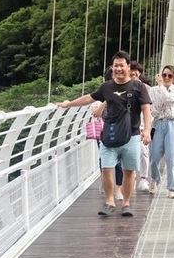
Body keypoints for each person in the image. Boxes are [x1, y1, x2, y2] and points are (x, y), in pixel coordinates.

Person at [56, 50, 152, 216]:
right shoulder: (107, 87)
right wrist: (68, 104)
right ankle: (109, 201)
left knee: (129, 171)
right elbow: (89, 98)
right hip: (109, 134)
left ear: (128, 67)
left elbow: (146, 109)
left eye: (122, 65)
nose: (118, 69)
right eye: (116, 66)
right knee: (107, 168)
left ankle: (127, 203)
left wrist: (148, 130)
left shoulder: (138, 87)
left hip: (132, 135)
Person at [147, 65, 174, 199]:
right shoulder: (153, 90)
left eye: (169, 75)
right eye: (164, 75)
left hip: (172, 123)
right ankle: (155, 179)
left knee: (172, 157)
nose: (166, 78)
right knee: (154, 156)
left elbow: (171, 100)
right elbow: (152, 108)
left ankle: (172, 187)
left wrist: (162, 87)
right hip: (157, 123)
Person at [91, 100, 124, 201]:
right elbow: (95, 114)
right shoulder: (98, 102)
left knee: (119, 161)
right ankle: (104, 181)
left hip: (118, 133)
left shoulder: (120, 99)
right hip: (102, 135)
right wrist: (104, 103)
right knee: (104, 160)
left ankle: (118, 189)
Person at [131, 60, 153, 192]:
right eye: (132, 69)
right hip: (128, 125)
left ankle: (143, 178)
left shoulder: (147, 88)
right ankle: (131, 178)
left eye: (136, 70)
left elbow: (151, 108)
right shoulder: (123, 87)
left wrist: (147, 128)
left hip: (142, 124)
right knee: (130, 152)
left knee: (144, 151)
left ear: (139, 72)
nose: (134, 72)